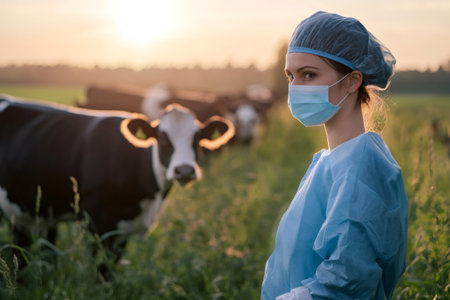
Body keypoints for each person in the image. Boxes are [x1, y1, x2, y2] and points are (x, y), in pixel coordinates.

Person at [261, 11, 408, 300]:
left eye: (309, 74)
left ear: (352, 81)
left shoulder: (363, 164)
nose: (294, 87)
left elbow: (349, 278)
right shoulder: (329, 161)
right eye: (291, 75)